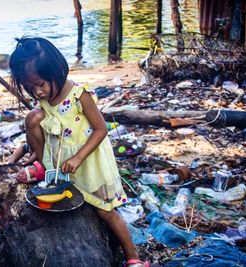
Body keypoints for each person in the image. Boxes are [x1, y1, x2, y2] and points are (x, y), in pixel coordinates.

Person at [9, 37, 148, 267]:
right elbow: (44, 124)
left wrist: (78, 156)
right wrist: (30, 148)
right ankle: (45, 167)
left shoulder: (79, 95)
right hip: (61, 160)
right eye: (30, 88)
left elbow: (101, 129)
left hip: (88, 161)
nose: (38, 92)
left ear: (57, 71)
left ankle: (133, 256)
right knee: (32, 117)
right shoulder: (45, 98)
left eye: (40, 84)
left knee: (106, 212)